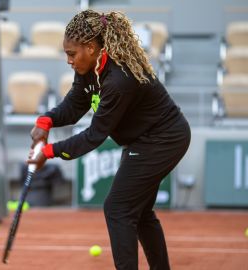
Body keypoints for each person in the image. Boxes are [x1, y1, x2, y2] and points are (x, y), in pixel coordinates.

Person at [28, 9, 191, 270]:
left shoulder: (118, 80)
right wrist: (45, 121)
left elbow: (94, 136)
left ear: (91, 47)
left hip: (163, 138)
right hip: (144, 139)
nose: (69, 60)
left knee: (117, 209)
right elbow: (74, 105)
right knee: (139, 214)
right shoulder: (89, 67)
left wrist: (48, 152)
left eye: (72, 54)